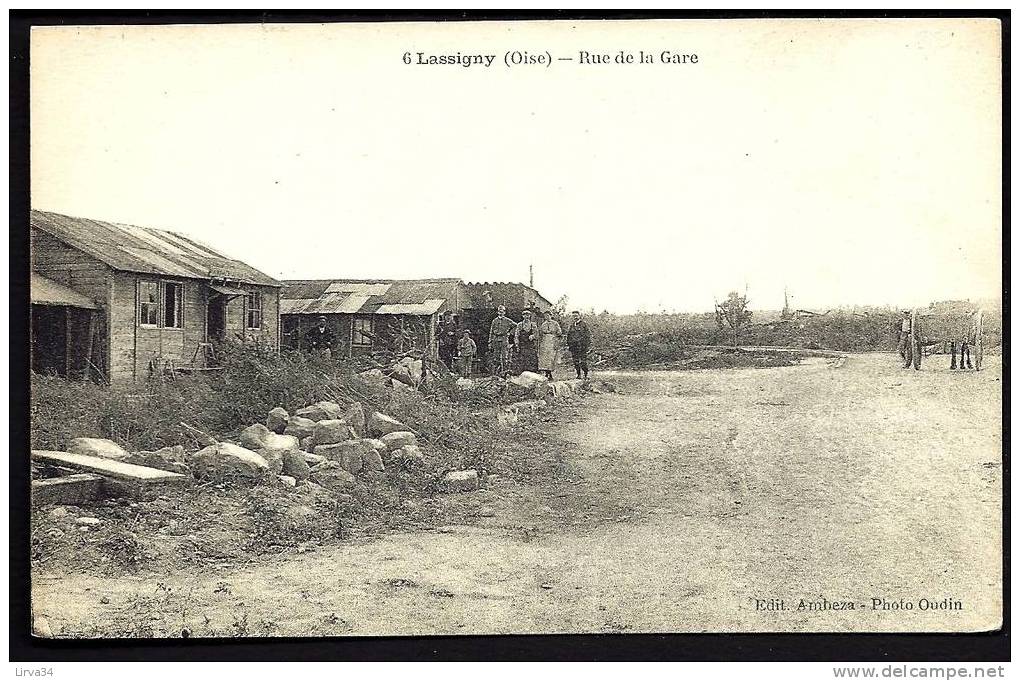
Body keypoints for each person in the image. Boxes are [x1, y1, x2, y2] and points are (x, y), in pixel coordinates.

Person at [488, 305, 516, 376]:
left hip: (504, 339)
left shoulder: (507, 320)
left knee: (504, 357)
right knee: (496, 357)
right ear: (497, 312)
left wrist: (510, 333)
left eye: (502, 311)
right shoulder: (494, 321)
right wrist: (490, 342)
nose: (500, 313)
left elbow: (516, 326)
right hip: (496, 339)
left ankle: (505, 373)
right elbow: (491, 332)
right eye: (499, 311)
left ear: (504, 312)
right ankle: (496, 373)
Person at [537, 311, 563, 379]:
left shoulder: (555, 323)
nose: (547, 317)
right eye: (545, 316)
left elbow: (559, 332)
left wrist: (556, 335)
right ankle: (546, 373)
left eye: (548, 315)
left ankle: (550, 373)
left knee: (551, 357)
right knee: (545, 357)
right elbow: (540, 333)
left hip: (552, 340)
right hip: (545, 341)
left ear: (551, 316)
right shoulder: (543, 324)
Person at [566, 310, 591, 379]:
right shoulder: (571, 325)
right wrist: (569, 345)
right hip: (574, 346)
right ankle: (578, 374)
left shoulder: (584, 324)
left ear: (579, 316)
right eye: (573, 316)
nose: (575, 317)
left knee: (583, 361)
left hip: (582, 346)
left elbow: (588, 335)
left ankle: (586, 374)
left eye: (576, 316)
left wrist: (587, 345)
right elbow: (569, 336)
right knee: (575, 361)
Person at [514, 310, 540, 374]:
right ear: (523, 316)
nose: (526, 317)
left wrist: (533, 336)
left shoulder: (533, 325)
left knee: (531, 358)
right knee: (522, 359)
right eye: (525, 315)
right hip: (522, 344)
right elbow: (516, 335)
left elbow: (537, 335)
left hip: (530, 345)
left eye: (528, 315)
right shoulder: (520, 325)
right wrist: (517, 344)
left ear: (530, 316)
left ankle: (532, 373)